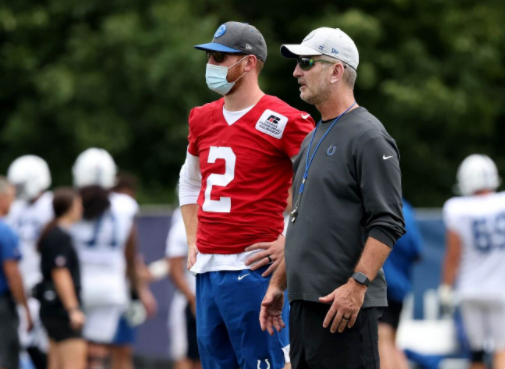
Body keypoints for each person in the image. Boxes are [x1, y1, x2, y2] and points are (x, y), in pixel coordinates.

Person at [260, 27, 405, 369]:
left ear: (336, 71)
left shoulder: (368, 136)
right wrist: (280, 284)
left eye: (307, 62)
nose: (296, 71)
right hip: (305, 305)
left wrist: (357, 286)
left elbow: (388, 222)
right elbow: (302, 222)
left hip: (343, 308)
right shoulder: (314, 135)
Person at [179, 21, 314, 369]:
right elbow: (190, 181)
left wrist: (292, 239)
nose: (212, 65)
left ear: (249, 62)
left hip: (253, 268)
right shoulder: (202, 117)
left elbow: (321, 184)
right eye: (210, 56)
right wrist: (192, 237)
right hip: (208, 268)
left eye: (221, 58)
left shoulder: (284, 119)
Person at [439, 154, 505, 369]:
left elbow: (453, 255)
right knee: (503, 349)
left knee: (476, 353)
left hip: (471, 289)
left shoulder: (457, 208)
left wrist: (446, 287)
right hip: (503, 289)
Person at [69, 148, 143, 369]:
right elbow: (130, 256)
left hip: (76, 286)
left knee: (75, 350)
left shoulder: (70, 202)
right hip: (111, 288)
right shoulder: (125, 205)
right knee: (98, 353)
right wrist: (135, 294)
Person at [0, 176, 33, 369]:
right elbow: (13, 275)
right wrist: (25, 307)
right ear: (0, 198)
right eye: (10, 197)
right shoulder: (4, 232)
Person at [7, 155, 53, 368]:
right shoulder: (15, 208)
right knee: (21, 345)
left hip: (42, 286)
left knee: (42, 347)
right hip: (19, 285)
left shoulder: (51, 205)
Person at [110, 172, 157, 369]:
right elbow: (128, 263)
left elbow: (132, 262)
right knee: (111, 351)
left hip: (120, 293)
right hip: (116, 293)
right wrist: (142, 291)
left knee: (122, 350)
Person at [37, 188, 86, 369]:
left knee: (56, 363)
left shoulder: (54, 234)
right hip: (60, 310)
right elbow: (60, 273)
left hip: (52, 308)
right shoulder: (59, 236)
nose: (81, 209)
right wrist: (72, 309)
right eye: (79, 205)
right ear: (71, 207)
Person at [379, 199, 423, 369]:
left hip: (379, 283)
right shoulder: (407, 211)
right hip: (400, 286)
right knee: (391, 342)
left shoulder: (373, 205)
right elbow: (417, 251)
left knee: (382, 339)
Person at [166, 207, 200, 369]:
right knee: (185, 355)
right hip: (192, 298)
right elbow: (174, 268)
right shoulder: (182, 225)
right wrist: (192, 299)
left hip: (211, 296)